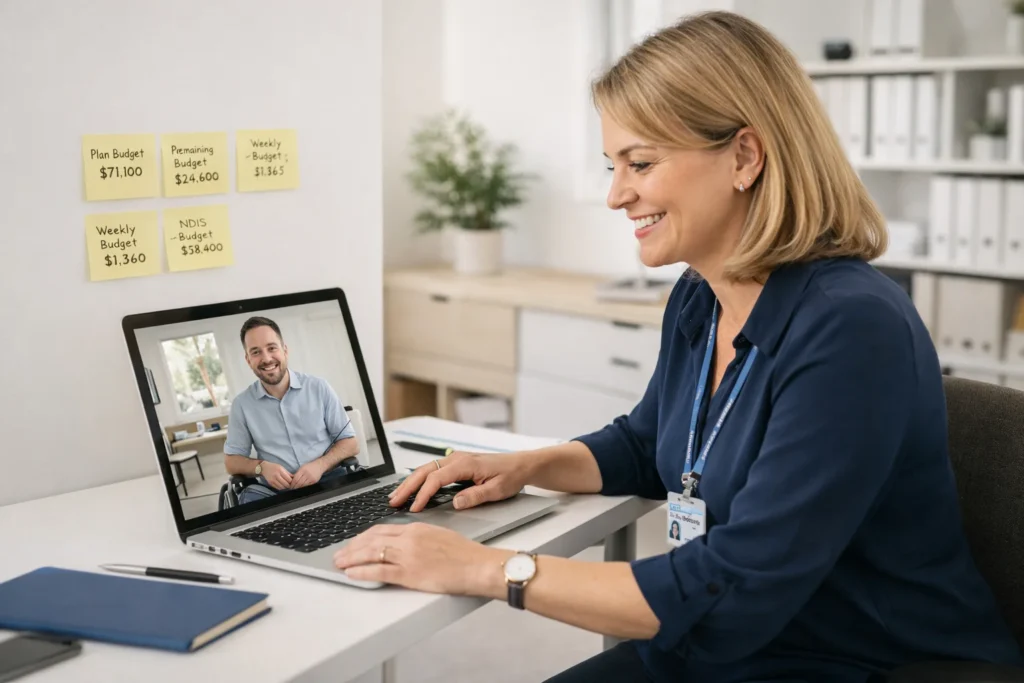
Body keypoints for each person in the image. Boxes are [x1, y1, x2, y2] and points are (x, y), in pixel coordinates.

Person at [333, 11, 1023, 683]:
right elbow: (647, 442)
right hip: (723, 644)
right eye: (611, 164)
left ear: (745, 156)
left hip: (857, 658)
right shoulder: (700, 295)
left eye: (639, 162)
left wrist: (486, 568)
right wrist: (519, 464)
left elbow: (735, 585)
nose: (615, 194)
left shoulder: (852, 329)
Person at [223, 316, 359, 505]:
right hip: (277, 496)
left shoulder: (319, 387)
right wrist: (261, 468)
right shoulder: (242, 405)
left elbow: (351, 444)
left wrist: (320, 465)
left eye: (272, 348)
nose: (266, 358)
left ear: (285, 350)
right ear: (248, 360)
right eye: (256, 352)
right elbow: (231, 462)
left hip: (329, 482)